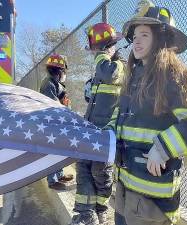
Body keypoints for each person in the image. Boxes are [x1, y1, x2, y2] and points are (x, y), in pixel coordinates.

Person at [109, 1, 187, 225]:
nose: (136, 40)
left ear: (161, 39)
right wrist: (105, 137)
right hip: (124, 189)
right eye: (134, 36)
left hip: (153, 202)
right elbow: (118, 117)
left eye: (144, 34)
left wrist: (163, 148)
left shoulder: (172, 77)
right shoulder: (132, 79)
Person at [70, 23, 126, 225]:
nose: (95, 55)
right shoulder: (100, 70)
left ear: (110, 48)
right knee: (83, 168)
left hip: (106, 134)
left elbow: (109, 74)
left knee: (100, 173)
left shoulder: (120, 65)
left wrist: (102, 55)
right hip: (90, 130)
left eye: (98, 50)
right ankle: (85, 213)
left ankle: (101, 210)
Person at [40, 53, 73, 189]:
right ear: (59, 71)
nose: (64, 74)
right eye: (63, 71)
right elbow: (52, 106)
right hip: (51, 124)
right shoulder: (48, 84)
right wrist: (63, 106)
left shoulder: (55, 83)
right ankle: (52, 181)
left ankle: (59, 175)